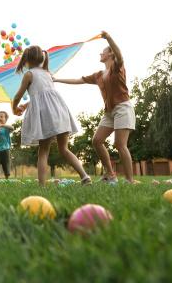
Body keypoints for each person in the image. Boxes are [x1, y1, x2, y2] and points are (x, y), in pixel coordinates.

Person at [53, 31, 136, 184]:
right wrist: (57, 79)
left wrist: (109, 38)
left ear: (110, 54)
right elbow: (80, 80)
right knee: (97, 140)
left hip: (123, 108)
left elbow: (119, 55)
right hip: (109, 112)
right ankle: (110, 174)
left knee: (120, 144)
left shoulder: (117, 67)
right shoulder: (99, 75)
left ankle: (130, 180)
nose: (100, 53)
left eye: (103, 52)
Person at [12, 45, 91, 186]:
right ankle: (85, 176)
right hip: (60, 112)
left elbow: (19, 95)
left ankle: (42, 186)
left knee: (43, 151)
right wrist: (27, 105)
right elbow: (43, 97)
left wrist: (14, 108)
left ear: (26, 60)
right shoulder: (47, 74)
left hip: (46, 117)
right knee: (64, 149)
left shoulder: (29, 74)